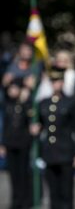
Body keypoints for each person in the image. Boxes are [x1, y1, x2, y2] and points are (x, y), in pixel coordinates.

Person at [30, 65, 75, 209]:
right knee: (53, 193)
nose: (56, 84)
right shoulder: (43, 103)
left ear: (63, 83)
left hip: (66, 152)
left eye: (59, 81)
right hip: (49, 152)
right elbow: (40, 123)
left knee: (66, 193)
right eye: (53, 81)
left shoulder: (71, 102)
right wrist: (36, 127)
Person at [0, 77, 33, 209]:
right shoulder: (7, 104)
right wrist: (2, 143)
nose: (12, 91)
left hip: (23, 143)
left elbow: (31, 119)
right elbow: (4, 126)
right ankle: (16, 200)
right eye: (11, 88)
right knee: (13, 174)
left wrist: (26, 96)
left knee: (23, 173)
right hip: (10, 143)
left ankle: (25, 200)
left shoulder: (25, 104)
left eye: (15, 88)